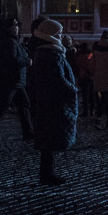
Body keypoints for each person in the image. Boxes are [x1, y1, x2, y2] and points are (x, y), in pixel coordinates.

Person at [30, 19, 78, 185]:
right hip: (53, 101)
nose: (61, 35)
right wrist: (72, 88)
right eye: (58, 33)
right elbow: (58, 78)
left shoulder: (46, 51)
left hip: (48, 99)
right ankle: (47, 174)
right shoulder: (50, 53)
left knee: (48, 138)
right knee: (49, 137)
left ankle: (47, 173)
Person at [0, 18, 33, 142]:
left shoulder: (13, 41)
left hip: (16, 82)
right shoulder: (10, 42)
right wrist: (27, 61)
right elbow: (12, 60)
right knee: (0, 108)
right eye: (15, 26)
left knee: (24, 106)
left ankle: (28, 133)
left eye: (17, 26)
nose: (17, 28)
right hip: (11, 81)